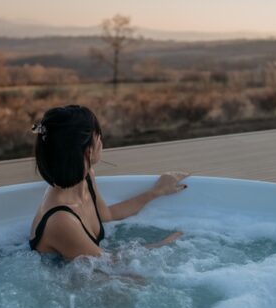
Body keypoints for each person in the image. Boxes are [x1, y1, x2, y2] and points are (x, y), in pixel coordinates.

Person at [29, 105, 188, 260]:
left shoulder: (85, 177)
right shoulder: (60, 220)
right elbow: (106, 261)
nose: (101, 141)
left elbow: (108, 215)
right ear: (88, 151)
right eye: (98, 136)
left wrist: (157, 191)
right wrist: (165, 244)